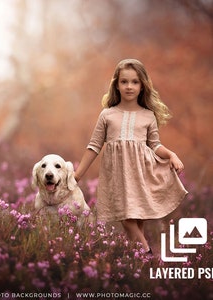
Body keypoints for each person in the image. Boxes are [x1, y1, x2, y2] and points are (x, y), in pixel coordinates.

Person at [74, 58, 188, 253]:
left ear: (142, 85)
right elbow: (94, 146)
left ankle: (139, 265)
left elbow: (155, 145)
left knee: (136, 222)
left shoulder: (148, 115)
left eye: (135, 82)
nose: (129, 86)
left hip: (141, 174)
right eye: (124, 81)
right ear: (116, 85)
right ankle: (148, 256)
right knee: (127, 220)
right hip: (117, 176)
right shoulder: (107, 115)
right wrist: (77, 175)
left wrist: (171, 155)